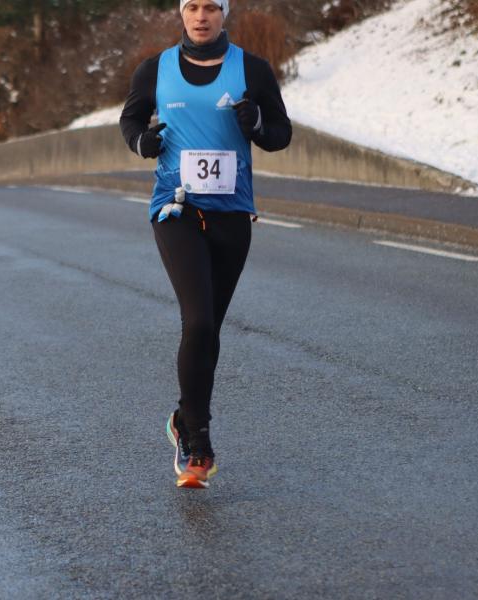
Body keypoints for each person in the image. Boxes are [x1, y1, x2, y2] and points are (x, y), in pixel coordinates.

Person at [120, 0, 292, 489]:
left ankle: (181, 417)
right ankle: (198, 441)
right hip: (175, 208)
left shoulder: (252, 69)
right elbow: (130, 122)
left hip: (232, 214)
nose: (201, 16)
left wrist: (256, 124)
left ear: (224, 13)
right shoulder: (154, 69)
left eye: (210, 8)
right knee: (196, 319)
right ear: (182, 13)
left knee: (208, 329)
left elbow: (281, 134)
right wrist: (142, 143)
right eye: (192, 7)